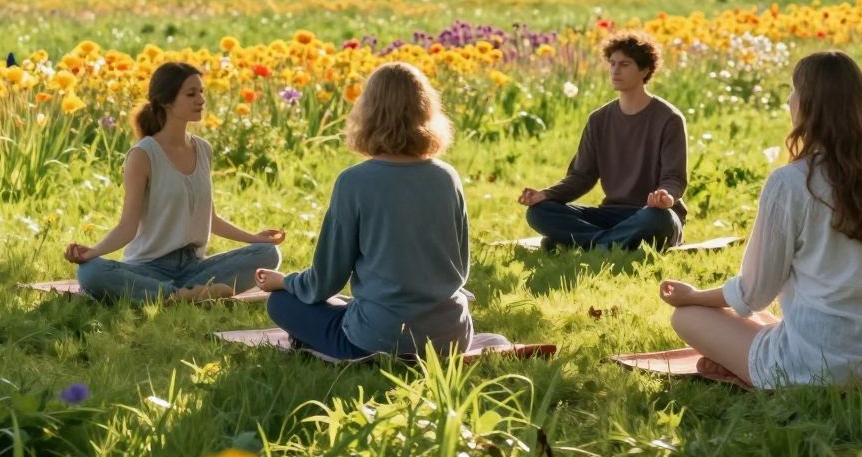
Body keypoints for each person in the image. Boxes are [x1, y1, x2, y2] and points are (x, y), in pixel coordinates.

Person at [656, 51, 862, 388]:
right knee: (760, 321)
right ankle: (749, 358)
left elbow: (754, 293)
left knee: (688, 317)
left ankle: (753, 375)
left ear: (809, 104)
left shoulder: (789, 182)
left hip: (816, 366)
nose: (789, 100)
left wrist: (692, 297)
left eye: (794, 91)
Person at [256, 62, 473, 359]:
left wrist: (285, 281)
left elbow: (325, 281)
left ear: (368, 112)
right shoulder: (448, 177)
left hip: (379, 338)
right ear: (426, 111)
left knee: (281, 302)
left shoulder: (354, 182)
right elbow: (460, 267)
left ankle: (321, 342)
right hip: (452, 336)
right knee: (348, 304)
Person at [63, 62, 284, 302]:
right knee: (90, 272)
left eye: (201, 92)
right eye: (191, 94)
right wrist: (93, 252)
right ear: (167, 101)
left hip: (195, 267)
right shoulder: (143, 155)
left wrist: (255, 239)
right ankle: (180, 295)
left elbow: (211, 219)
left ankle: (176, 294)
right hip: (148, 268)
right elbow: (127, 227)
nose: (200, 99)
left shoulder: (203, 150)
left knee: (268, 253)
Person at [518, 31, 688, 250]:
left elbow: (674, 178)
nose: (615, 70)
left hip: (652, 214)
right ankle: (609, 243)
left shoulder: (669, 119)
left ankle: (583, 242)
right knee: (539, 213)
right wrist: (546, 194)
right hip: (611, 214)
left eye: (625, 64)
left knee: (658, 220)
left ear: (645, 70)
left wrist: (666, 197)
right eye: (612, 64)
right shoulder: (599, 119)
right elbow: (581, 176)